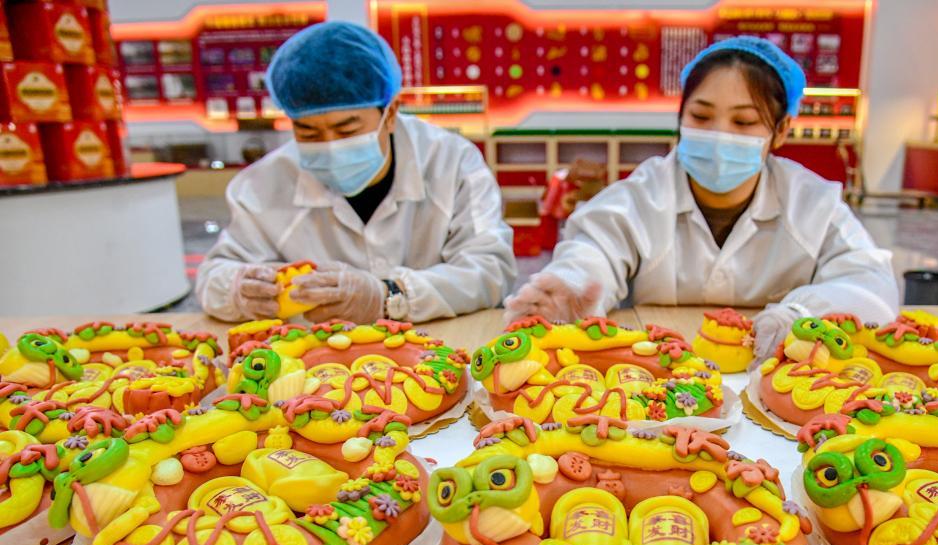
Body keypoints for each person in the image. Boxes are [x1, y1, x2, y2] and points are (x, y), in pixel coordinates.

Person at [504, 36, 899, 361]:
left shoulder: (812, 204)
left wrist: (803, 313)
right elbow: (596, 249)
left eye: (744, 121)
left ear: (780, 132)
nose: (719, 134)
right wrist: (573, 285)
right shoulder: (641, 195)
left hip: (780, 374)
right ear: (680, 117)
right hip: (656, 369)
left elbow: (869, 284)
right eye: (701, 116)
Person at [196, 21, 517, 323]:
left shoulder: (453, 163)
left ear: (390, 114)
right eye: (308, 133)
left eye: (347, 129)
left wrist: (389, 295)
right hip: (314, 366)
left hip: (434, 352)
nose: (330, 146)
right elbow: (213, 275)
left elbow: (491, 270)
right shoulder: (261, 185)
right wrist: (239, 290)